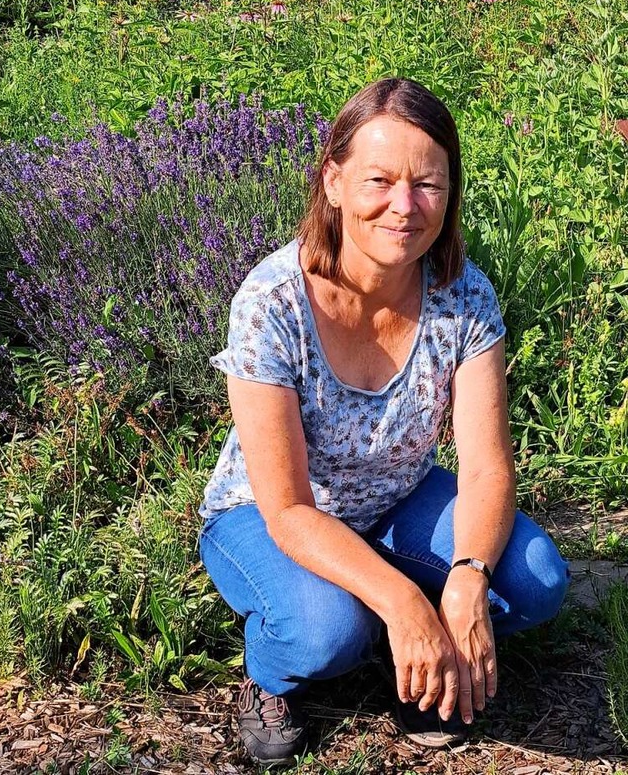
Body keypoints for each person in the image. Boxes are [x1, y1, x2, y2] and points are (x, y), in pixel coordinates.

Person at [199, 78, 570, 765]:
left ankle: (414, 654)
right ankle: (271, 673)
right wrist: (403, 599)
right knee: (327, 630)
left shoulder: (464, 294)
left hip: (395, 497)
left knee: (533, 577)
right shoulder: (272, 301)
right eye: (380, 180)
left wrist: (465, 574)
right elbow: (286, 508)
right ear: (334, 182)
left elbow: (487, 465)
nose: (405, 206)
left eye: (428, 183)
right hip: (268, 514)